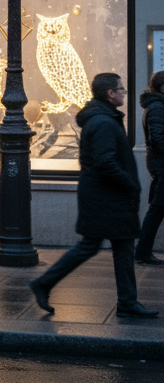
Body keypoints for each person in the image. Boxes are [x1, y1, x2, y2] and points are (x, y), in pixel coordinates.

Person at [29, 73, 159, 318]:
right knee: (94, 245)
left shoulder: (104, 118)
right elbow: (105, 162)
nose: (123, 92)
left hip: (105, 195)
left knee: (120, 247)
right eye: (121, 89)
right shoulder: (103, 122)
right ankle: (44, 283)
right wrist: (130, 183)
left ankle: (127, 302)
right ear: (110, 93)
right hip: (106, 196)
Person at [136, 71, 164, 265]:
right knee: (157, 210)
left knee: (156, 209)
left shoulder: (157, 105)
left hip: (159, 164)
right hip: (161, 165)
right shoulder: (157, 107)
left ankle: (142, 252)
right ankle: (142, 253)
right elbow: (158, 139)